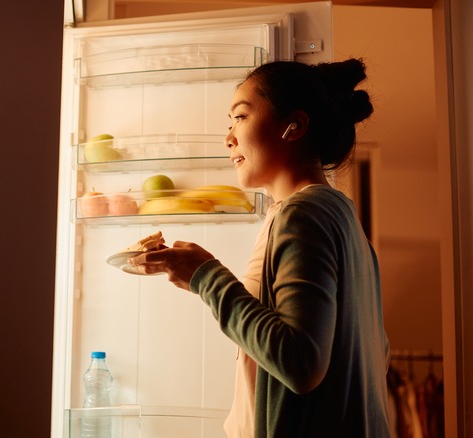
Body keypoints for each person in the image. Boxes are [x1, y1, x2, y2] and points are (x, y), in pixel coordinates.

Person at [128, 58, 391, 437]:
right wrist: (196, 277)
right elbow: (375, 356)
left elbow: (301, 363)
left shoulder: (304, 214)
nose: (229, 137)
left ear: (293, 126)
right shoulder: (341, 218)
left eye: (241, 117)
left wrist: (205, 276)